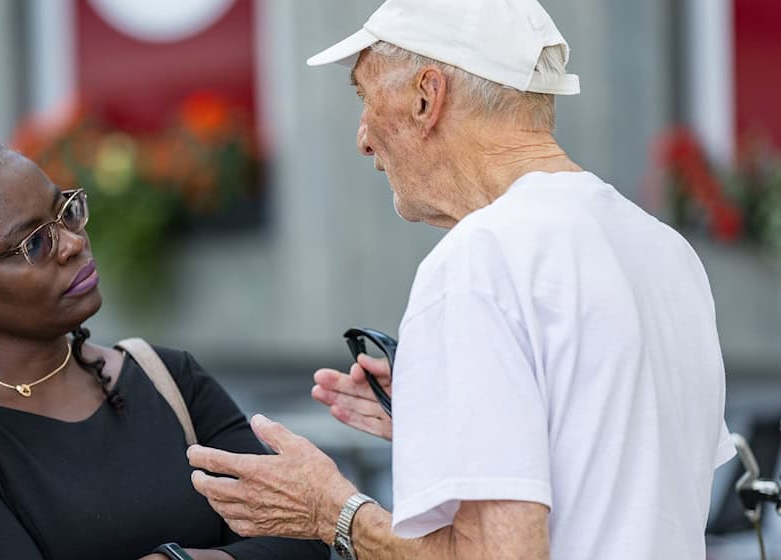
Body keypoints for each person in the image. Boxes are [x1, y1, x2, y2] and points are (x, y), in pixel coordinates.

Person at [187, 0, 735, 558]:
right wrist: (453, 424)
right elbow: (621, 475)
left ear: (427, 96)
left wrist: (331, 511)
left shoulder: (480, 258)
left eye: (364, 97)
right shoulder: (664, 248)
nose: (363, 139)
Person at [0, 135, 330, 560]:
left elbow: (302, 535)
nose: (73, 243)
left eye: (67, 211)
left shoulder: (168, 379)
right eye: (35, 244)